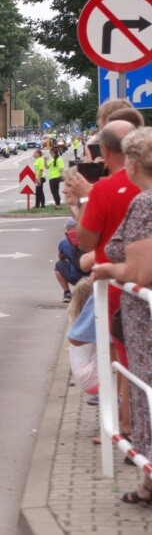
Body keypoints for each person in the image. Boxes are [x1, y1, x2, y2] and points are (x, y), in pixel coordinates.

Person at [91, 126, 152, 505]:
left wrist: (105, 270)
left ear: (131, 163)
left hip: (145, 322)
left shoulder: (146, 204)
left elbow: (139, 272)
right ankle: (148, 484)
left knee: (147, 393)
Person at [55, 218, 87, 302]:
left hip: (75, 277)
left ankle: (67, 293)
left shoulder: (64, 243)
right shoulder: (91, 238)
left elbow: (61, 258)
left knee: (58, 265)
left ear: (68, 229)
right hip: (94, 276)